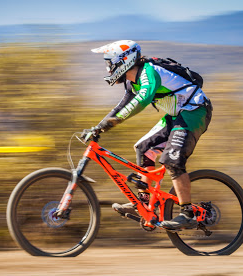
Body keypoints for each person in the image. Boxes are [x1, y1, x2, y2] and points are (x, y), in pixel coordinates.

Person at [89, 40, 212, 230]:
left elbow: (142, 100)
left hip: (194, 111)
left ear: (124, 60)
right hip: (176, 115)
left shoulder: (149, 72)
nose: (108, 69)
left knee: (171, 160)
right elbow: (121, 107)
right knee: (143, 148)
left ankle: (187, 213)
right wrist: (98, 127)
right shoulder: (132, 82)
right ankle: (146, 203)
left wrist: (111, 123)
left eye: (110, 63)